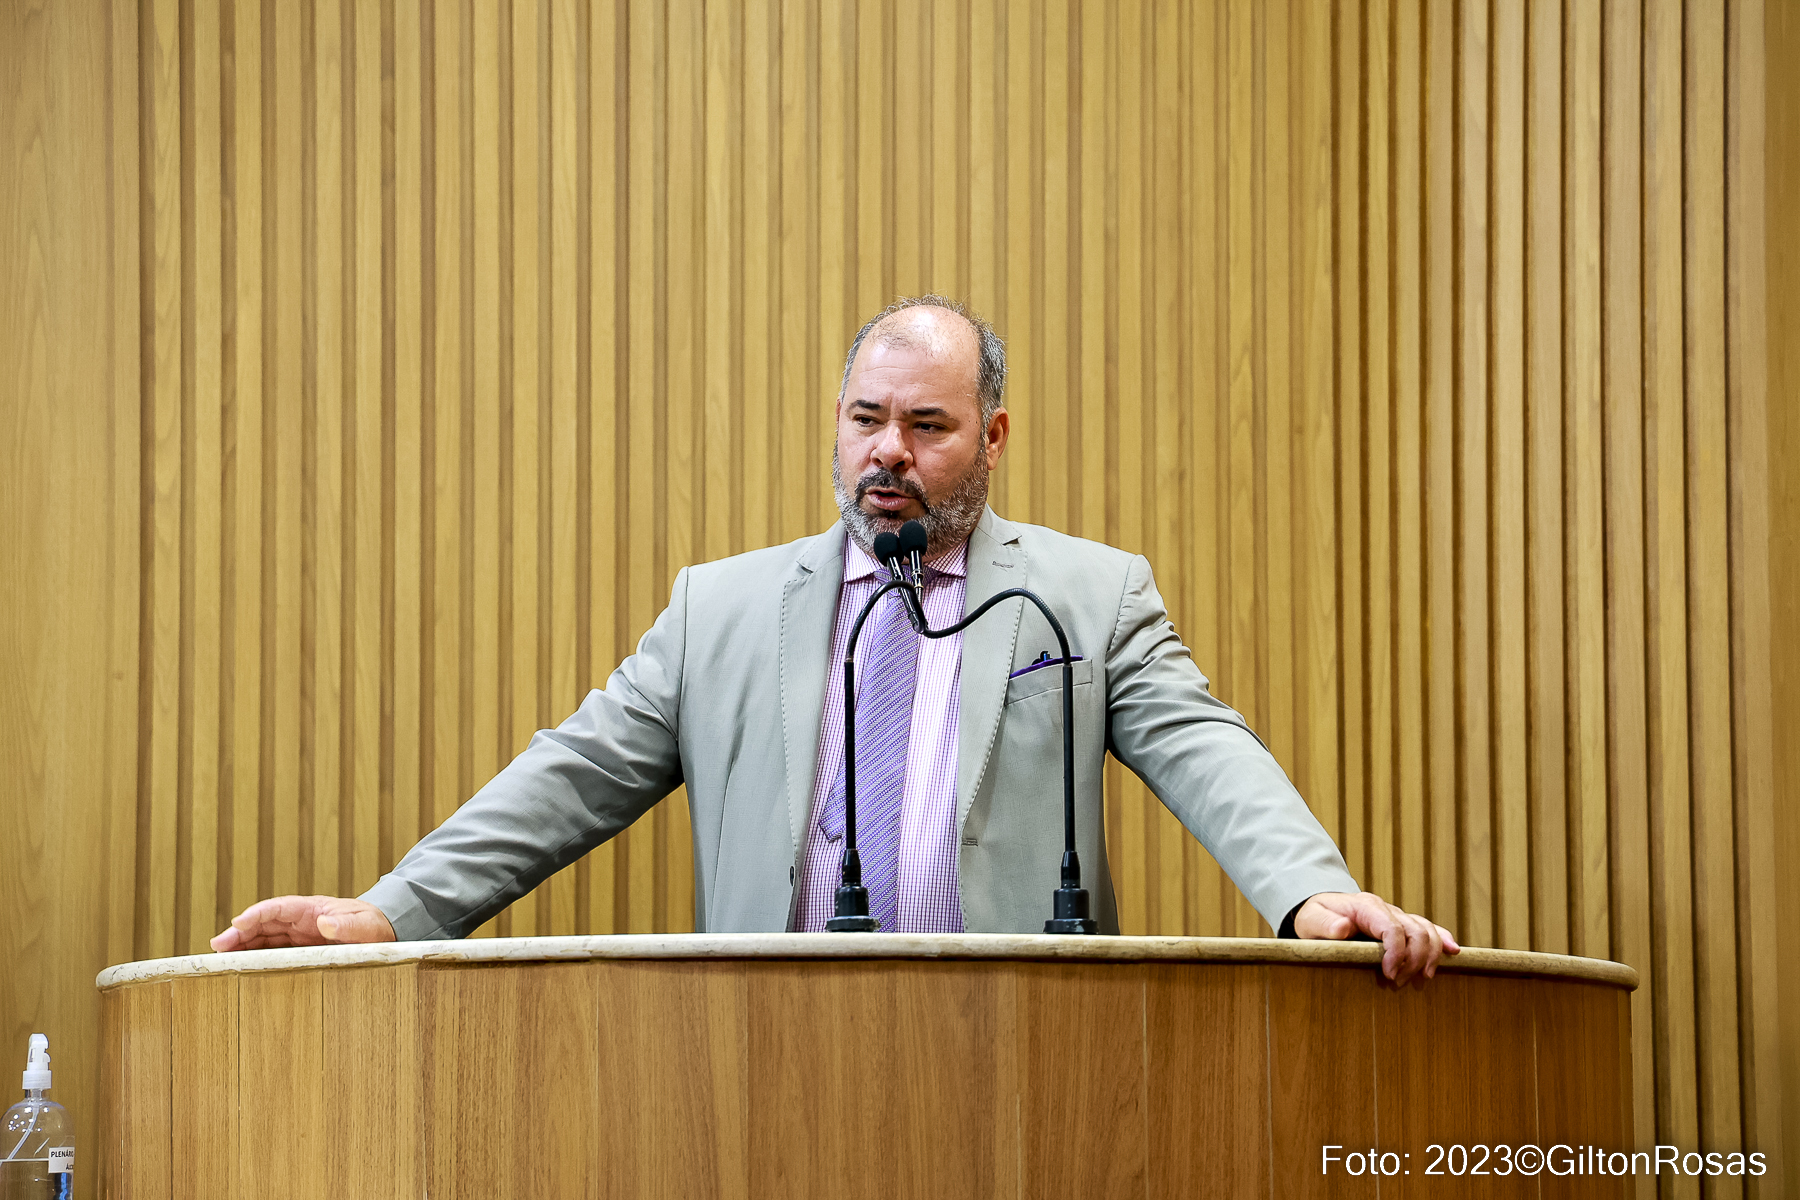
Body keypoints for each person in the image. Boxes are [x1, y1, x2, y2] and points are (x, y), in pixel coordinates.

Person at [213, 296, 1459, 986]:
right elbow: (574, 773)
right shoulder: (722, 610)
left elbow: (1203, 746)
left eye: (927, 426)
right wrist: (394, 910)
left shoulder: (1086, 596)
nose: (887, 453)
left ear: (993, 437)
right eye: (867, 419)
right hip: (767, 1055)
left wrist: (1310, 890)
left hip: (1027, 1050)